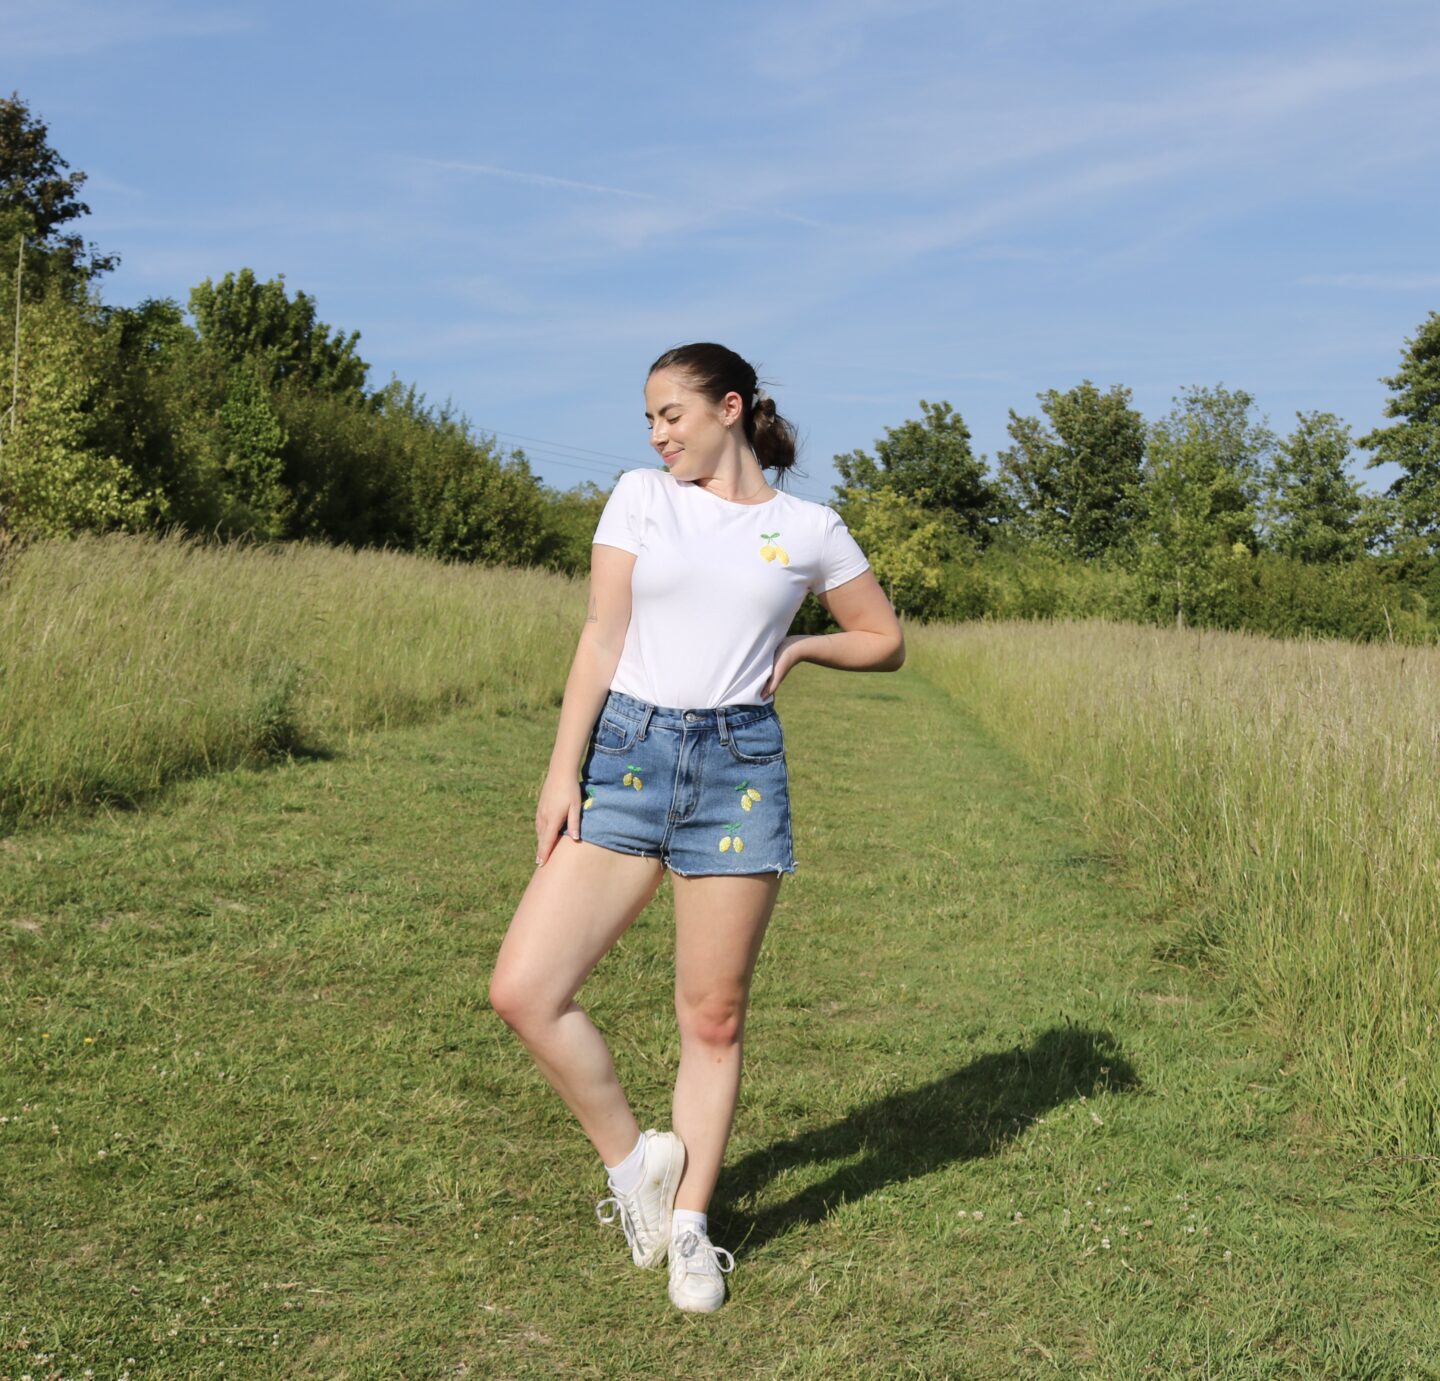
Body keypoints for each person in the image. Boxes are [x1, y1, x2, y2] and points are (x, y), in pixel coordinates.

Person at [488, 342, 905, 1313]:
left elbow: (883, 637)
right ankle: (637, 1163)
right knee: (524, 988)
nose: (655, 433)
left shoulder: (809, 529)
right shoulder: (640, 496)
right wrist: (562, 771)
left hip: (738, 772)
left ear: (730, 407)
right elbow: (602, 635)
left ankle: (690, 1228)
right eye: (648, 418)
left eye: (670, 413)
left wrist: (804, 645)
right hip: (627, 754)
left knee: (711, 1017)